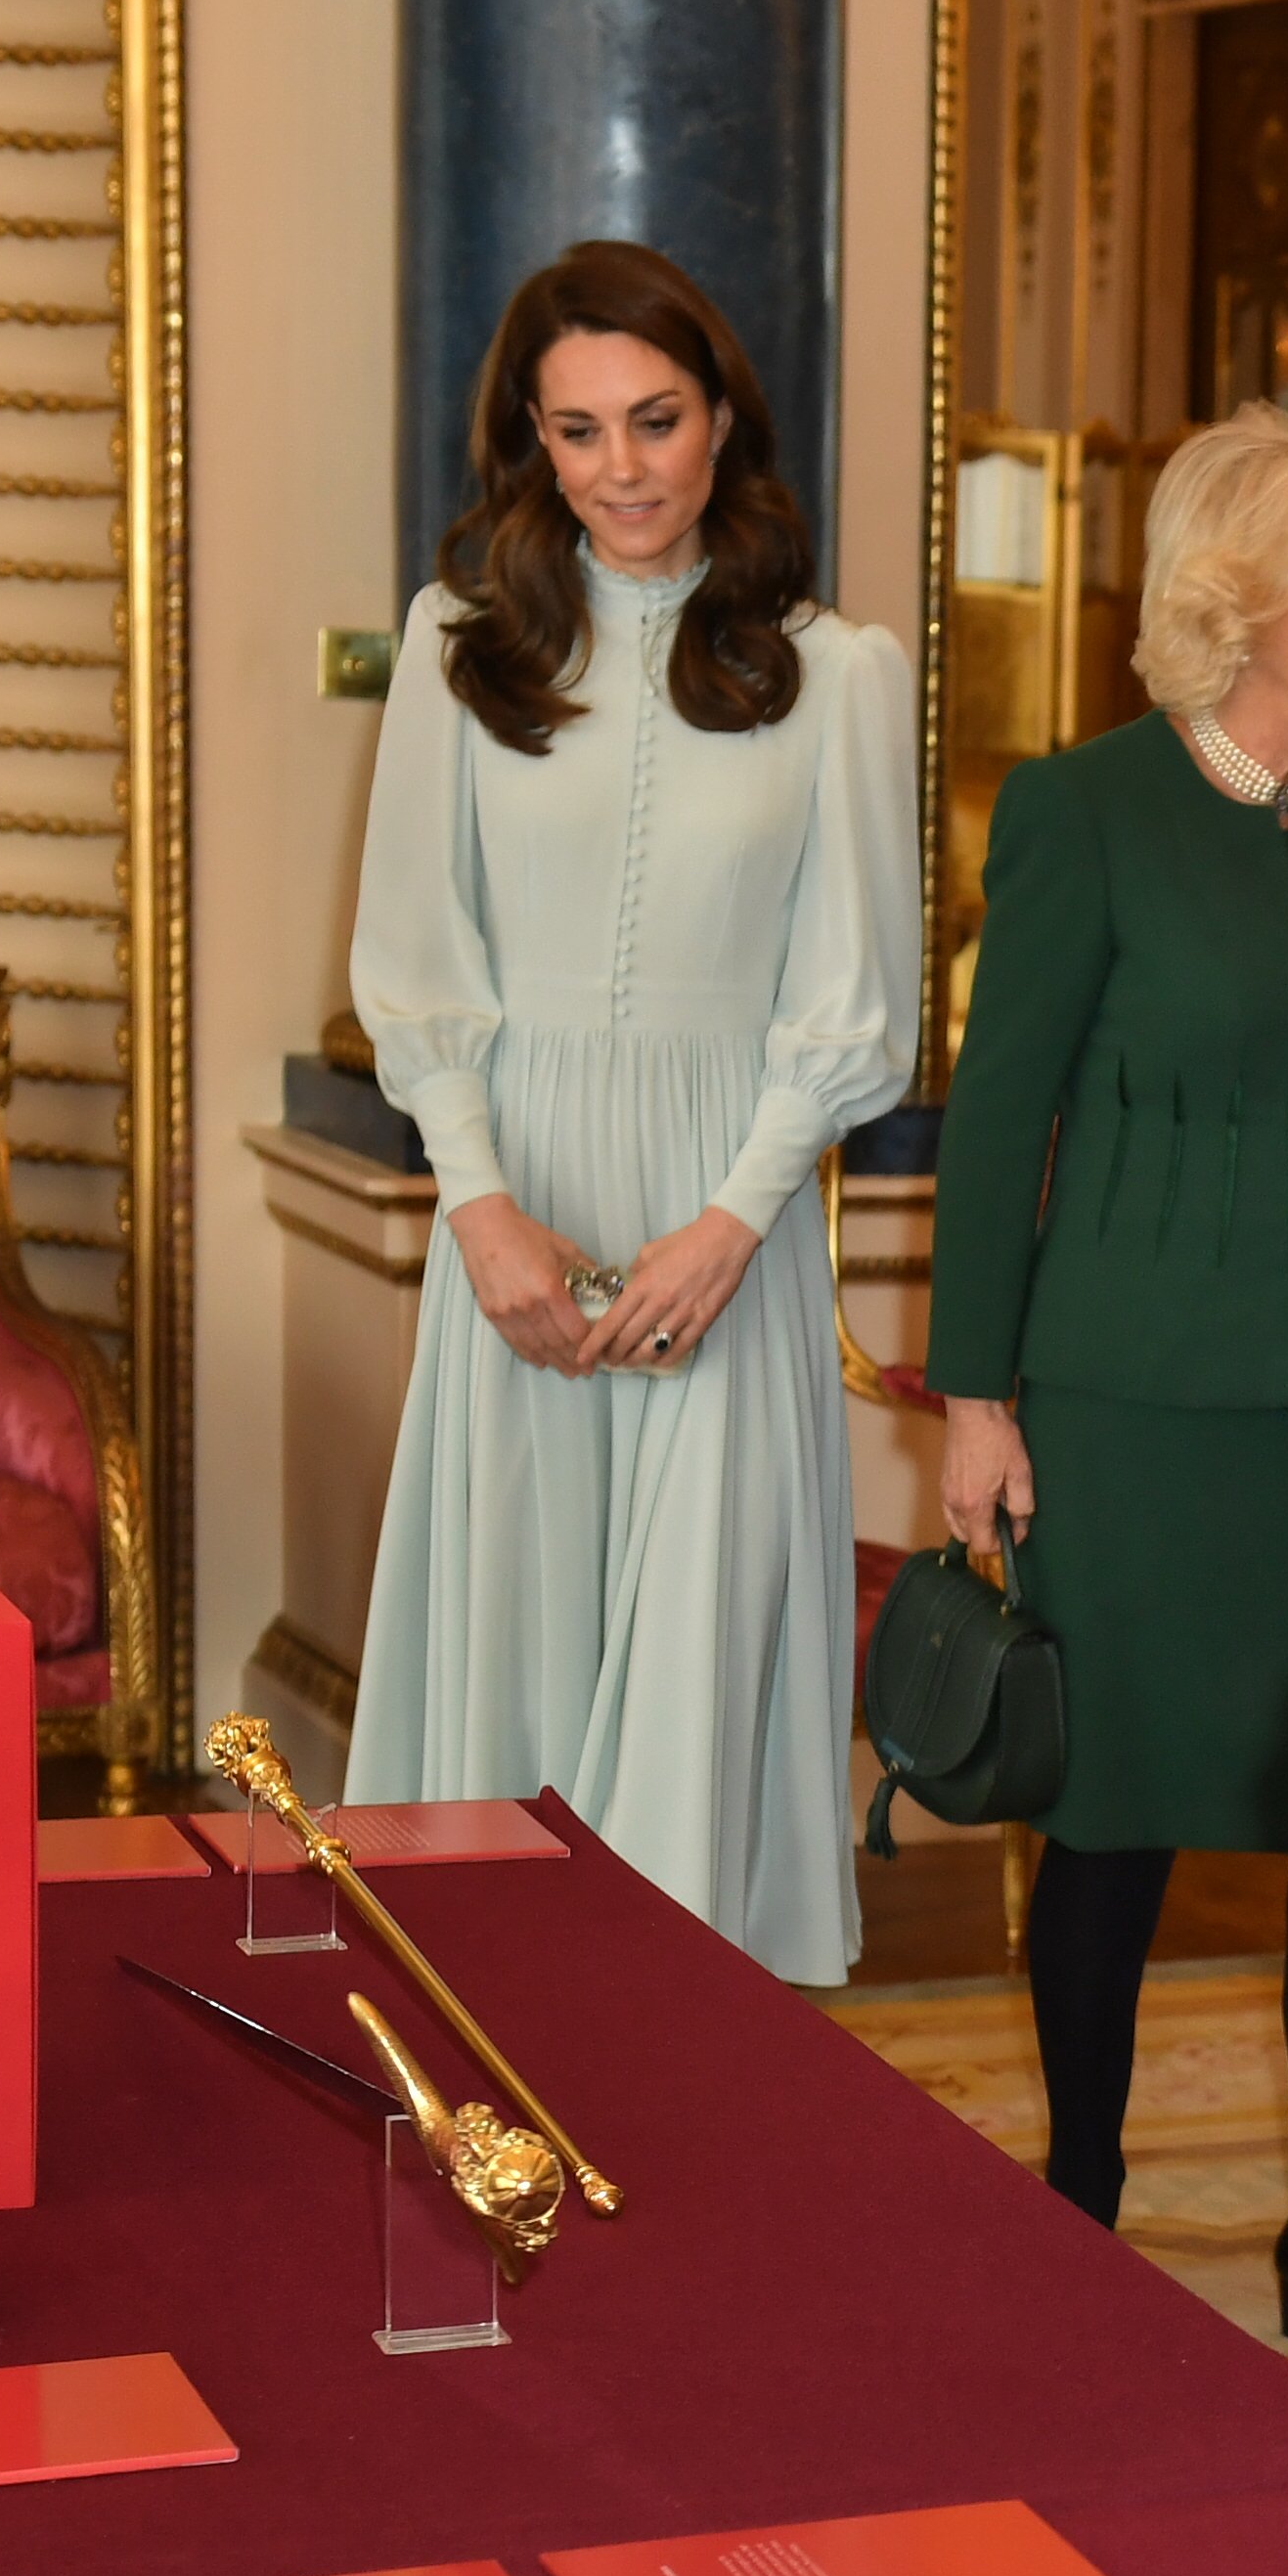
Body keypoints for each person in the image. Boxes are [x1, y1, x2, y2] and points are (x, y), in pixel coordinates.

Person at [926, 407, 1288, 2393]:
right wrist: (976, 1397)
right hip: (1138, 1409)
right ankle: (1076, 2198)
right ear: (1238, 596)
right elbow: (1001, 1120)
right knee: (1120, 1817)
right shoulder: (1085, 812)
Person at [348, 240, 920, 1980]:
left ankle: (680, 2096)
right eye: (579, 429)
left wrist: (735, 1220)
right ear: (531, 439)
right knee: (511, 1638)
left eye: (657, 420)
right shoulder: (458, 651)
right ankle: (487, 2062)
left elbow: (856, 1004)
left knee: (697, 1670)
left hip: (719, 1245)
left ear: (724, 416)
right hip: (514, 1216)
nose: (625, 468)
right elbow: (412, 958)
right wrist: (483, 1208)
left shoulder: (838, 673)